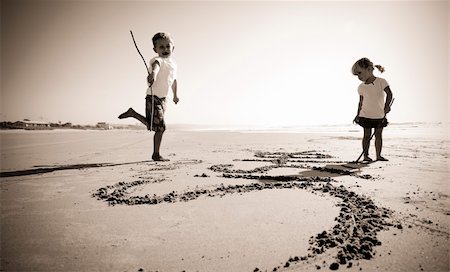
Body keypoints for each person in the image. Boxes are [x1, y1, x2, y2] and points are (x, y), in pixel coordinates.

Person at [119, 32, 179, 161]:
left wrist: (175, 95)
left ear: (173, 48)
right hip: (153, 97)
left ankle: (133, 114)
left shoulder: (173, 64)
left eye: (168, 46)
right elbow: (155, 68)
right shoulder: (158, 60)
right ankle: (156, 154)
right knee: (161, 127)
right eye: (161, 47)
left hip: (164, 99)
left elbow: (173, 81)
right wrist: (153, 75)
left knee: (154, 126)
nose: (165, 49)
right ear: (155, 49)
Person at [352, 57, 393, 162]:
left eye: (360, 73)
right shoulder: (361, 87)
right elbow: (360, 102)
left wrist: (387, 106)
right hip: (365, 115)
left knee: (378, 135)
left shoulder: (381, 82)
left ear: (369, 69)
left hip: (379, 115)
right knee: (366, 136)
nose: (359, 77)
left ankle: (378, 155)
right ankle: (366, 156)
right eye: (357, 75)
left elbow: (389, 94)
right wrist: (357, 115)